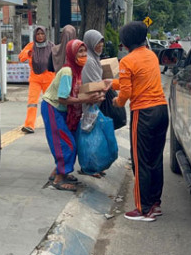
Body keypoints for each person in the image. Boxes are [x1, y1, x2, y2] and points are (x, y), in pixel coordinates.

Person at [113, 21, 169, 222]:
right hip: (161, 110)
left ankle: (143, 209)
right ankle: (155, 204)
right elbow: (136, 80)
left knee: (140, 162)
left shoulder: (127, 61)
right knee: (155, 159)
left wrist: (117, 101)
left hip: (143, 113)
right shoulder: (151, 56)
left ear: (125, 43)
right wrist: (110, 82)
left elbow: (126, 92)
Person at [41, 39, 103, 191]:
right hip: (53, 107)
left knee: (70, 142)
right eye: (79, 52)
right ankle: (58, 180)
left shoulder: (77, 70)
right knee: (67, 144)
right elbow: (63, 98)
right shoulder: (68, 72)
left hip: (61, 110)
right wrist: (86, 99)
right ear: (71, 54)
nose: (83, 55)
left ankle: (58, 172)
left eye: (84, 51)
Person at [80, 29, 113, 178]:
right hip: (89, 102)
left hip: (95, 102)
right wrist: (105, 85)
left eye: (101, 42)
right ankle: (90, 167)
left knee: (95, 135)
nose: (100, 45)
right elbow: (93, 84)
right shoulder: (89, 61)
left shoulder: (95, 59)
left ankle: (95, 166)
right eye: (97, 42)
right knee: (90, 137)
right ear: (90, 43)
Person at [19, 26, 55, 133]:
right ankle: (29, 125)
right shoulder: (31, 46)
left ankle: (53, 124)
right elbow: (21, 57)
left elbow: (58, 59)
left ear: (45, 35)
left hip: (49, 77)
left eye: (42, 34)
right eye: (38, 34)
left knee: (51, 103)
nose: (40, 36)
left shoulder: (51, 46)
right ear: (35, 35)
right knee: (32, 102)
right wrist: (28, 53)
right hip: (35, 78)